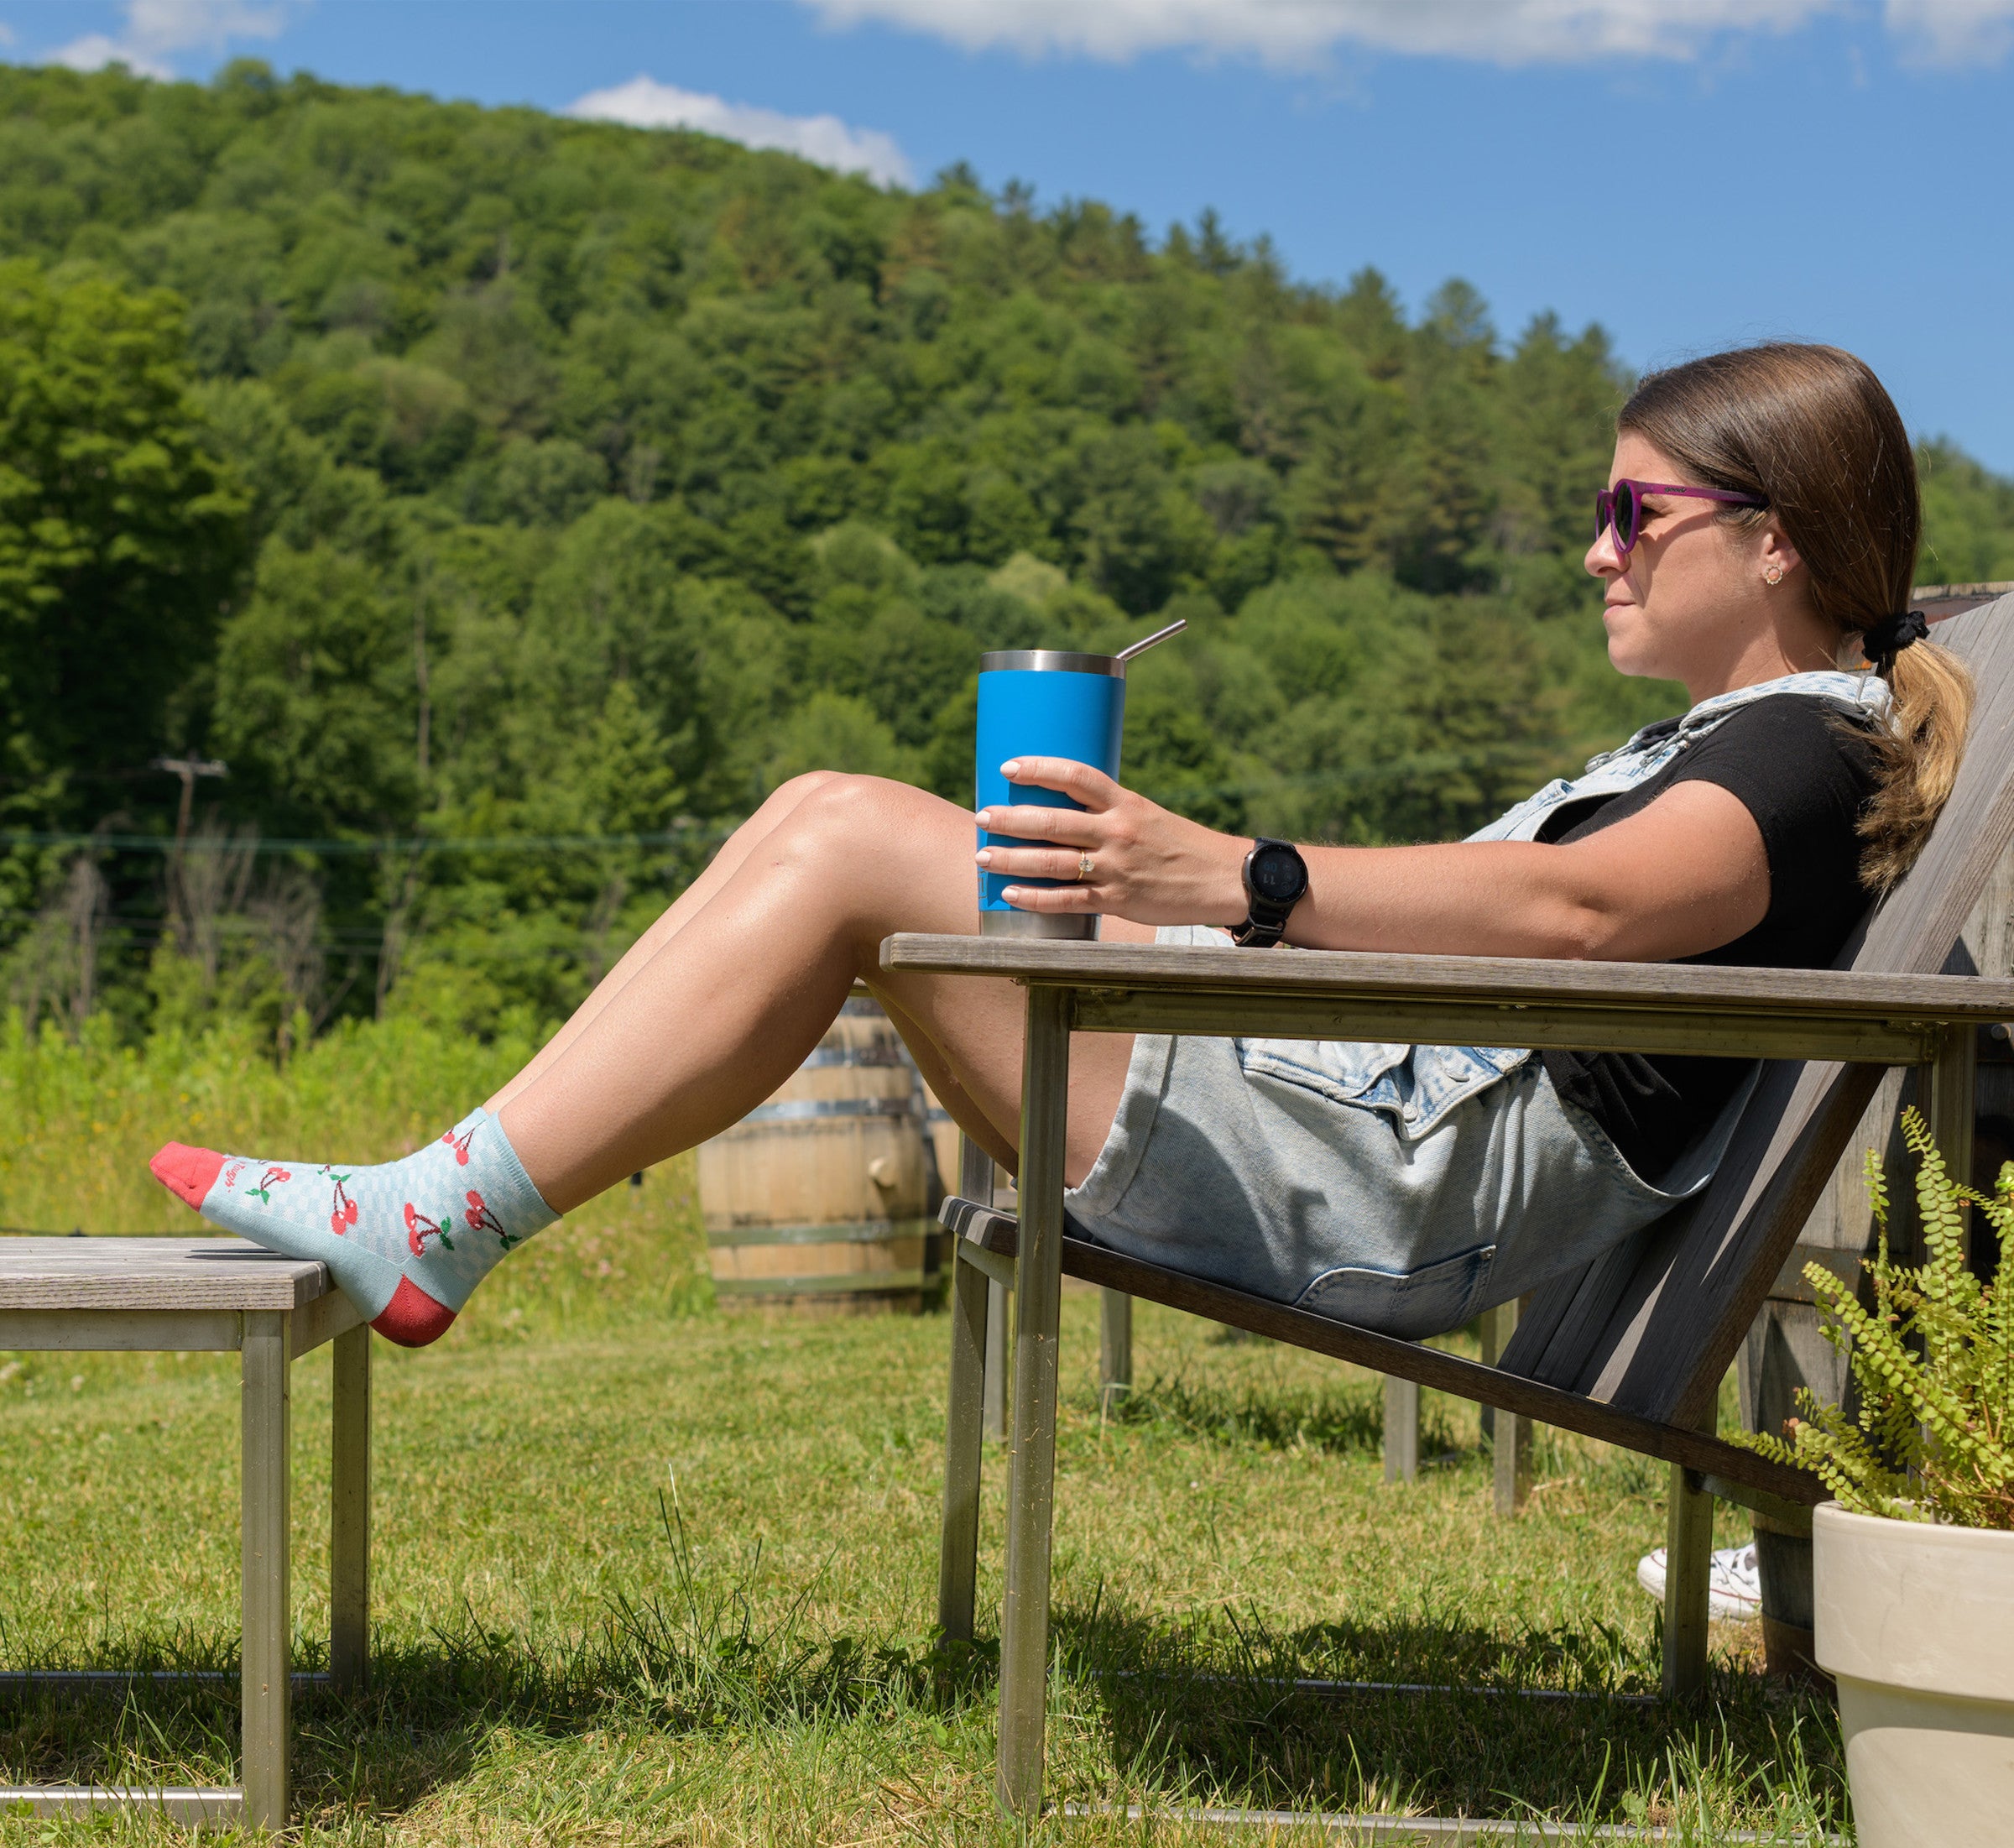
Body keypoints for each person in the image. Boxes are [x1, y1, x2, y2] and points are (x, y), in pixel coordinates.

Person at [149, 342, 1971, 1352]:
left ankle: (441, 1213)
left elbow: (1584, 914)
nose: (1596, 550)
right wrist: (1202, 908)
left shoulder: (1807, 763)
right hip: (1339, 1106)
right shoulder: (1737, 741)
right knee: (839, 825)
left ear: (1776, 540)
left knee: (855, 837)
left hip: (1370, 1187)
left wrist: (1241, 880)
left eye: (1631, 513)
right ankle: (442, 1203)